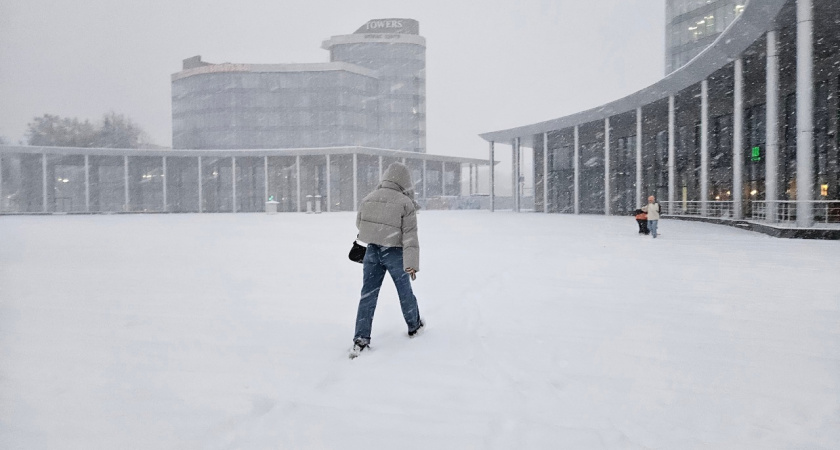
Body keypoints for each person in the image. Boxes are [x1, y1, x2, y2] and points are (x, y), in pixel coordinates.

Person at [350, 162, 424, 358]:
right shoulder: (405, 203)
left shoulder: (369, 198)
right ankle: (414, 325)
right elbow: (410, 236)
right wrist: (411, 264)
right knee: (404, 292)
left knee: (368, 295)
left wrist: (378, 234)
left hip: (372, 251)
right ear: (404, 181)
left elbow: (360, 223)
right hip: (395, 252)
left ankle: (361, 338)